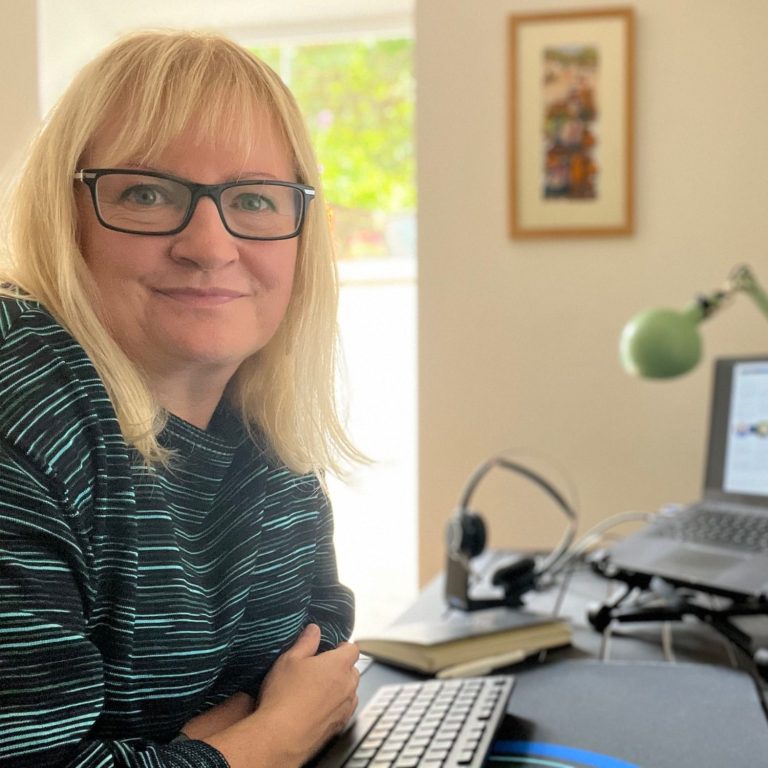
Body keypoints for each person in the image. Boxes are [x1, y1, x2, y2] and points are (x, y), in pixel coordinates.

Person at [0, 29, 363, 768]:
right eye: (146, 192)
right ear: (64, 215)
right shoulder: (18, 403)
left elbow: (316, 642)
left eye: (255, 198)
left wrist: (168, 753)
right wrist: (267, 741)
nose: (209, 243)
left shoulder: (260, 414)